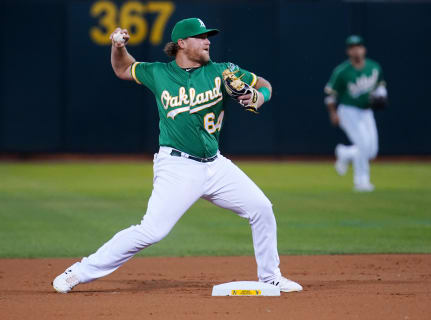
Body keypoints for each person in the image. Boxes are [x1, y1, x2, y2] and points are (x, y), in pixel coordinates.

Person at [52, 18, 302, 293]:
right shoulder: (158, 72)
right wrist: (117, 46)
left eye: (209, 37)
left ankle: (270, 277)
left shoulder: (222, 71)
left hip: (216, 165)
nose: (208, 41)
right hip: (177, 166)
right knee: (152, 231)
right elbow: (122, 67)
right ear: (182, 43)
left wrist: (259, 97)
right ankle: (79, 271)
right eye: (201, 37)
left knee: (262, 208)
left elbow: (263, 83)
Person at [324, 35, 388, 192]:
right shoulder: (342, 71)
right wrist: (333, 113)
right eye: (352, 48)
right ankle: (361, 181)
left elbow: (381, 87)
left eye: (358, 46)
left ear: (364, 49)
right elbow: (330, 95)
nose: (356, 50)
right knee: (363, 145)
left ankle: (345, 153)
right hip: (348, 111)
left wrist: (382, 95)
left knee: (372, 150)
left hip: (366, 112)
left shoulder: (374, 67)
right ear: (348, 51)